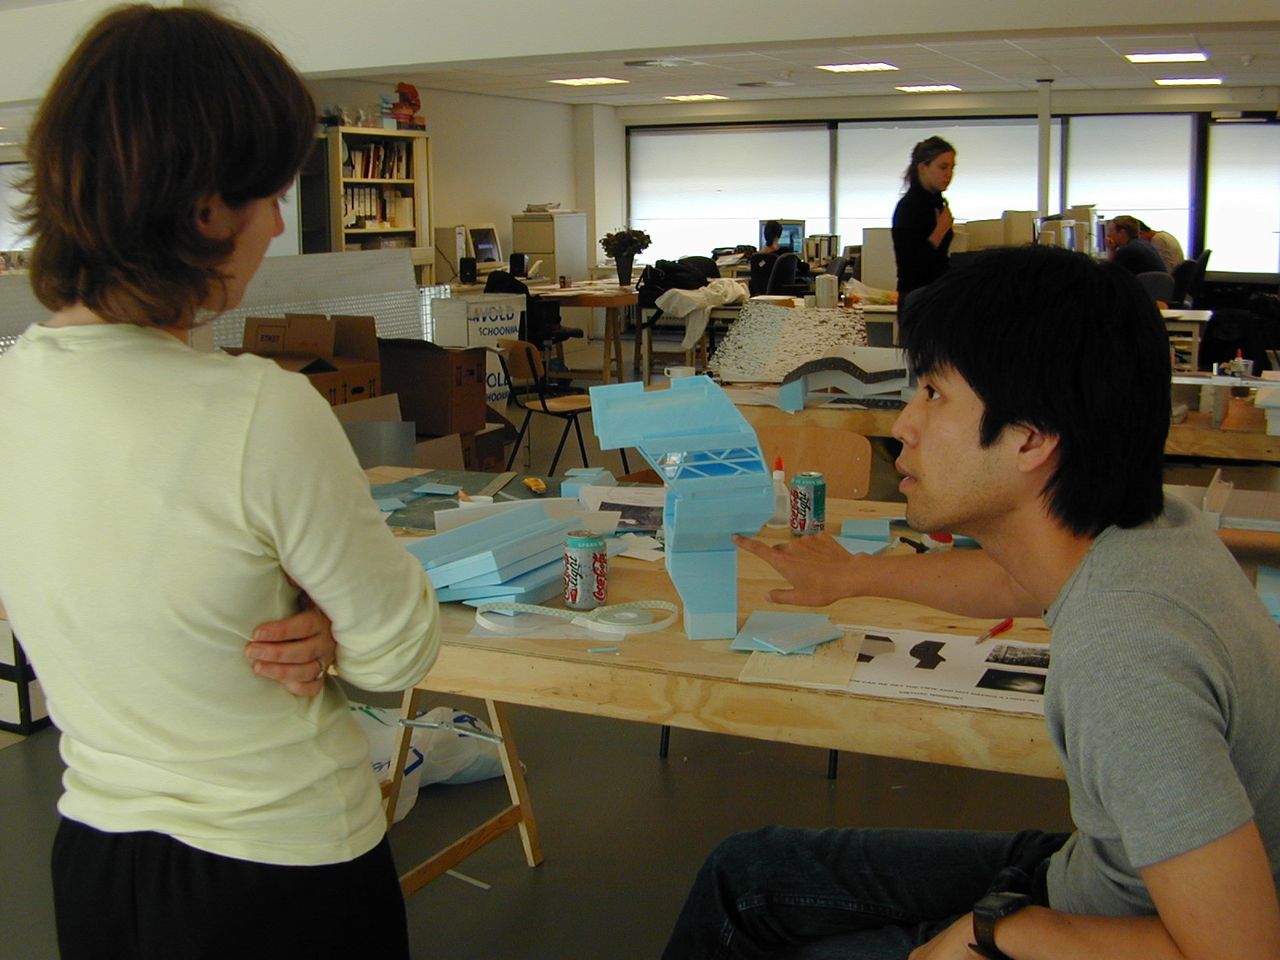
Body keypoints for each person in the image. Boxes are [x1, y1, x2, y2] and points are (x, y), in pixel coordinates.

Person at [662, 245, 1280, 960]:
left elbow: (1242, 952)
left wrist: (1002, 933)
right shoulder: (1152, 530)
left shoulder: (1126, 660)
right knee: (747, 873)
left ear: (1031, 437)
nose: (904, 425)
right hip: (1104, 877)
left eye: (934, 394)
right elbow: (1014, 581)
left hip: (1108, 928)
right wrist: (855, 577)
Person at [0, 7, 441, 959]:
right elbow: (398, 651)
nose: (281, 223)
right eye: (270, 195)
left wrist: (311, 616)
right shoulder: (257, 410)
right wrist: (330, 622)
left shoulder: (10, 391)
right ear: (204, 210)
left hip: (96, 858)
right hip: (278, 865)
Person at [892, 136, 956, 299]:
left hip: (938, 291)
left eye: (952, 168)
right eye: (943, 167)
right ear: (922, 168)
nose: (949, 174)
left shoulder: (938, 203)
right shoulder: (909, 207)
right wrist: (940, 230)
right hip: (917, 296)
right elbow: (911, 266)